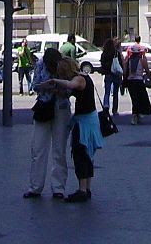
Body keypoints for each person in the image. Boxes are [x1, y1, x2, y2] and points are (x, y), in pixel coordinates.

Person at [37, 56, 103, 203]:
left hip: (84, 122)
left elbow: (70, 85)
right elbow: (69, 91)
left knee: (80, 154)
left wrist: (54, 81)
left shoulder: (78, 79)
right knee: (87, 155)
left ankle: (82, 190)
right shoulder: (84, 77)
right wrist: (53, 91)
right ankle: (87, 188)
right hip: (88, 120)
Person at [23, 48, 72, 200]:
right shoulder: (40, 64)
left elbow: (71, 90)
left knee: (59, 149)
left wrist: (57, 89)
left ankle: (58, 188)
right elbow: (35, 85)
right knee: (38, 148)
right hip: (44, 107)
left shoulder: (64, 65)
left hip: (60, 107)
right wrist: (45, 87)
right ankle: (35, 187)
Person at [122, 35, 151, 124]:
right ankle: (136, 114)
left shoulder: (128, 60)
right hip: (139, 81)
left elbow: (124, 71)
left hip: (130, 81)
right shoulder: (142, 59)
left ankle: (136, 114)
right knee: (141, 98)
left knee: (134, 98)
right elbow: (147, 70)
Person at [99, 38, 122, 116]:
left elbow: (102, 64)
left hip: (107, 74)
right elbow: (120, 63)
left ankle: (106, 106)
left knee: (107, 92)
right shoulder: (116, 53)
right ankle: (114, 110)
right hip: (116, 74)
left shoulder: (104, 54)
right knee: (115, 93)